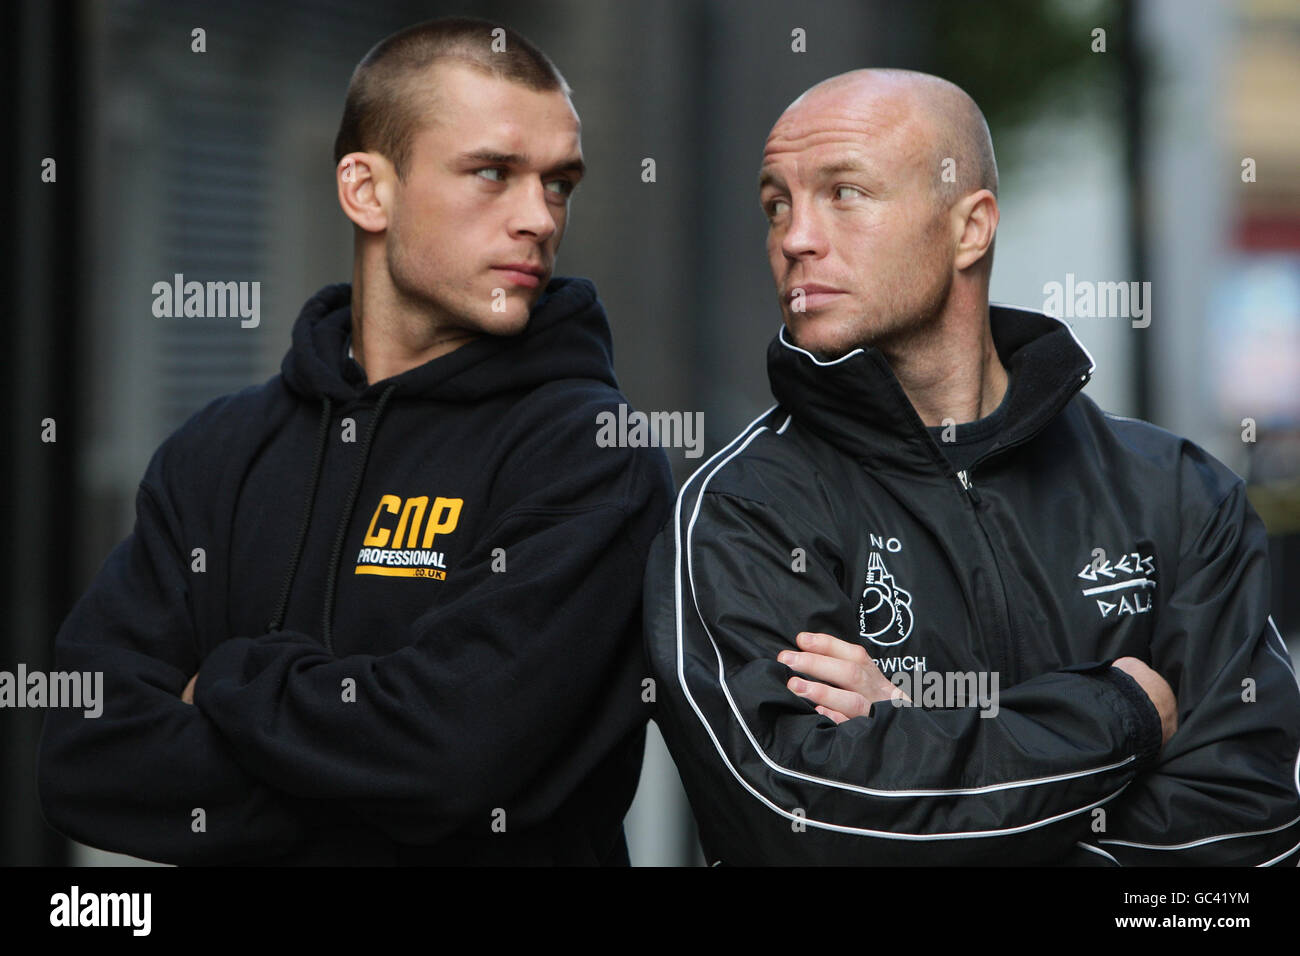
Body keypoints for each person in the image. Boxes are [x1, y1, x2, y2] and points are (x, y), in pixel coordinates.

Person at [38, 17, 673, 865]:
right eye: (493, 172)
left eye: (559, 183)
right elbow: (84, 753)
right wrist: (370, 786)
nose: (539, 218)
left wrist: (227, 685)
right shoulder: (218, 452)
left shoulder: (594, 456)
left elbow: (452, 758)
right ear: (366, 190)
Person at [642, 68, 1300, 865]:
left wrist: (913, 737)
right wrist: (1121, 711)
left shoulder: (1178, 494)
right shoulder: (740, 510)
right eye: (776, 202)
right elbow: (803, 823)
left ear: (970, 228)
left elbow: (1246, 838)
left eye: (844, 193)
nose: (795, 237)